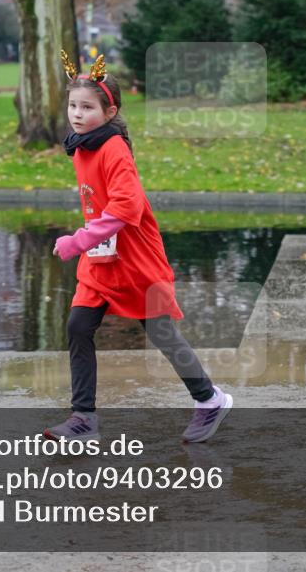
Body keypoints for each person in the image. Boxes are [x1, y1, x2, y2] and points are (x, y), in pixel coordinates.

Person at [46, 51, 233, 444]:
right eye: (72, 105)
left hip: (134, 258)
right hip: (101, 259)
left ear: (109, 111)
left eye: (87, 107)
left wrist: (78, 241)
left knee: (161, 332)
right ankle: (83, 419)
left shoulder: (113, 147)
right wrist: (90, 242)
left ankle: (209, 400)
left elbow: (127, 208)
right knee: (78, 326)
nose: (77, 114)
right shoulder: (81, 145)